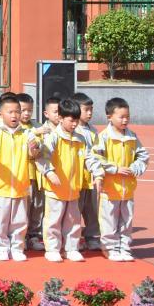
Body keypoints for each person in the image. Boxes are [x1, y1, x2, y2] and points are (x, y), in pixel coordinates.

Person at [0, 93, 42, 262]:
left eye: (17, 112)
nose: (14, 115)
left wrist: (35, 148)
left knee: (20, 220)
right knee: (1, 220)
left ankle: (17, 247)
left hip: (21, 186)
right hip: (1, 186)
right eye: (10, 112)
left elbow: (34, 151)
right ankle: (1, 247)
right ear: (1, 114)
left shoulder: (27, 134)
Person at [90, 97, 149, 262]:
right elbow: (95, 158)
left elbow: (143, 155)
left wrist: (136, 168)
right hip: (109, 189)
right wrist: (114, 169)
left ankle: (124, 247)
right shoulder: (103, 137)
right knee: (109, 221)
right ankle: (109, 248)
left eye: (127, 117)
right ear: (109, 117)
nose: (125, 120)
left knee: (126, 221)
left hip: (127, 189)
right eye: (121, 117)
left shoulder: (132, 137)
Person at [35, 98, 93, 263]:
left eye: (76, 120)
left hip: (73, 188)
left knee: (73, 221)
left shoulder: (81, 139)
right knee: (53, 220)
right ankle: (52, 249)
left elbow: (88, 158)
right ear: (60, 118)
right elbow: (42, 157)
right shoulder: (53, 137)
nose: (74, 124)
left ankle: (71, 248)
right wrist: (49, 172)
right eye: (71, 120)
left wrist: (97, 171)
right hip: (55, 189)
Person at [26, 95, 62, 251]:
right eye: (55, 111)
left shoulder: (61, 129)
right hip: (26, 175)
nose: (26, 114)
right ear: (46, 113)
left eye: (29, 110)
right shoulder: (39, 129)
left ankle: (34, 235)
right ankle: (21, 237)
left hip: (46, 177)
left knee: (39, 207)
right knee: (24, 207)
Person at [71, 92, 101, 252]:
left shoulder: (94, 131)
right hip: (77, 179)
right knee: (75, 211)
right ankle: (74, 239)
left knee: (92, 210)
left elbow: (97, 154)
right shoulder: (73, 131)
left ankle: (92, 237)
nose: (89, 113)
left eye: (91, 110)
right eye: (86, 110)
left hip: (92, 180)